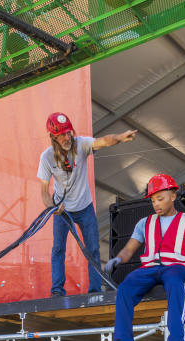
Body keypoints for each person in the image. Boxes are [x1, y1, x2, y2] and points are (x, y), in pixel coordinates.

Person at [104, 174, 185, 341]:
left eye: (160, 199)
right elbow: (129, 249)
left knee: (174, 283)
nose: (156, 204)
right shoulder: (144, 223)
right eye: (153, 200)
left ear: (173, 196)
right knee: (125, 288)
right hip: (151, 268)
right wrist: (117, 259)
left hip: (177, 268)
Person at [38, 111, 136, 296]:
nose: (67, 137)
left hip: (85, 207)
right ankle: (57, 290)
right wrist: (52, 207)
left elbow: (103, 141)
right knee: (58, 248)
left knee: (93, 248)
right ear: (53, 136)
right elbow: (43, 191)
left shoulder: (80, 144)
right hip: (62, 210)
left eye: (69, 132)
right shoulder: (47, 157)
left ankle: (95, 291)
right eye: (62, 135)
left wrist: (120, 138)